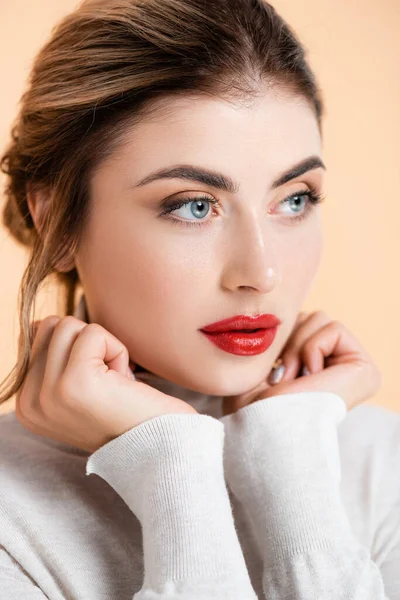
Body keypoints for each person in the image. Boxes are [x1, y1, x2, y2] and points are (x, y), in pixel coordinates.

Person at [0, 0, 399, 597]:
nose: (260, 273)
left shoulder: (378, 465)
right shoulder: (11, 516)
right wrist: (173, 466)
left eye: (294, 199)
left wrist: (289, 455)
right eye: (194, 205)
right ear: (56, 220)